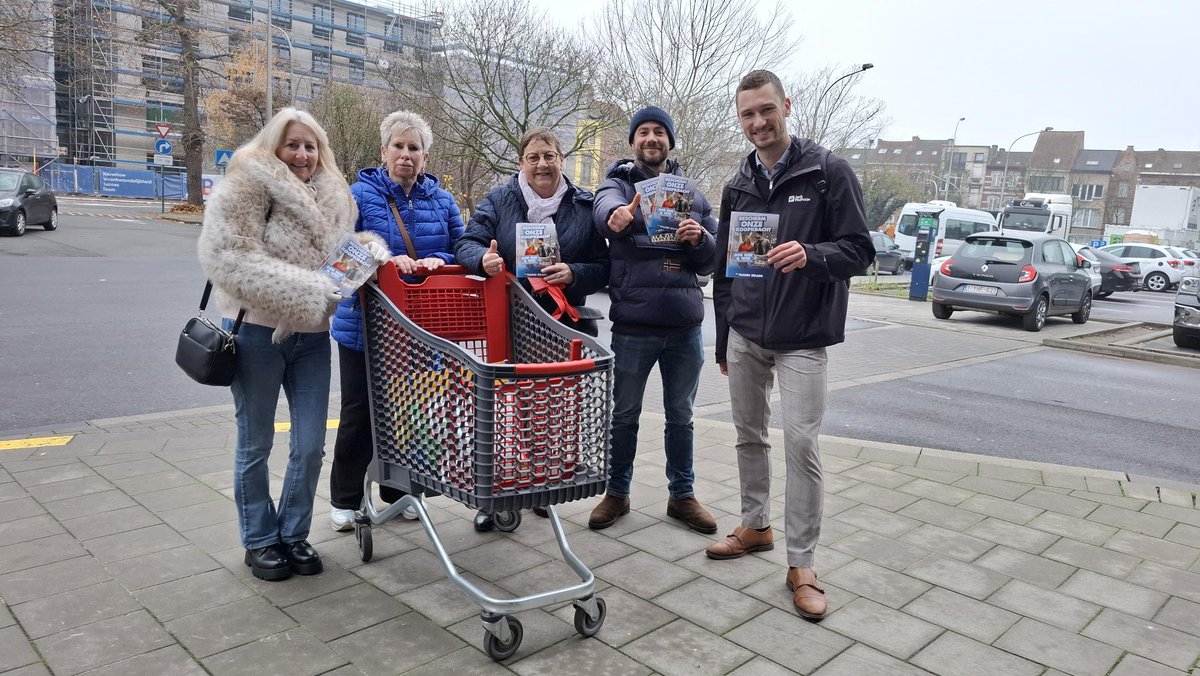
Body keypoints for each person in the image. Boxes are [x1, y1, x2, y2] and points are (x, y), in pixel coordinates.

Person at [707, 70, 874, 620]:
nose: (757, 123)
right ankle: (755, 526)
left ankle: (802, 562)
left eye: (766, 110)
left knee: (802, 444)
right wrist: (725, 336)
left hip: (803, 336)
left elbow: (859, 250)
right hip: (747, 334)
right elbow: (725, 270)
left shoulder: (827, 172)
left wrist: (812, 256)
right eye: (747, 114)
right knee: (747, 437)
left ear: (786, 106)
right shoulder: (738, 184)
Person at [197, 108, 389, 582]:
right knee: (256, 444)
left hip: (312, 338)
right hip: (256, 332)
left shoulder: (335, 194)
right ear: (274, 147)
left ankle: (294, 532)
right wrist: (309, 291)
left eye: (310, 146)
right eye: (293, 145)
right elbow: (227, 257)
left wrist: (366, 251)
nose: (303, 155)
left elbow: (338, 255)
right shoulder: (246, 184)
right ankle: (260, 540)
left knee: (309, 447)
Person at [455, 126, 610, 531]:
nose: (542, 164)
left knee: (547, 407)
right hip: (508, 318)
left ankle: (540, 482)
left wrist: (573, 273)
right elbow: (467, 242)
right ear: (521, 162)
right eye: (534, 157)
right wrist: (483, 261)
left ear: (562, 159)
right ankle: (492, 493)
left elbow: (604, 266)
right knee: (496, 408)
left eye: (550, 156)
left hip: (557, 321)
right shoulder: (500, 199)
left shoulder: (582, 205)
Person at [328, 110, 466, 532]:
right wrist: (384, 257)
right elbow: (338, 257)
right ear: (384, 151)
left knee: (413, 414)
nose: (406, 155)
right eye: (399, 147)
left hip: (422, 328)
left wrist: (433, 260)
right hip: (365, 326)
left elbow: (463, 247)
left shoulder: (441, 201)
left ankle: (399, 491)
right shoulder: (357, 195)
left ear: (425, 156)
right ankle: (345, 499)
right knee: (360, 414)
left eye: (414, 148)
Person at [588, 106, 719, 534]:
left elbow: (713, 259)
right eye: (643, 132)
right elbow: (603, 209)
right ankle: (617, 493)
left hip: (685, 326)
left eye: (659, 132)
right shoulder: (617, 184)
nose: (651, 138)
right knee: (624, 414)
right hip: (634, 325)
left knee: (681, 415)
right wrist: (617, 216)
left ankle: (682, 496)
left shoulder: (693, 194)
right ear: (633, 141)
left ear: (670, 142)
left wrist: (700, 240)